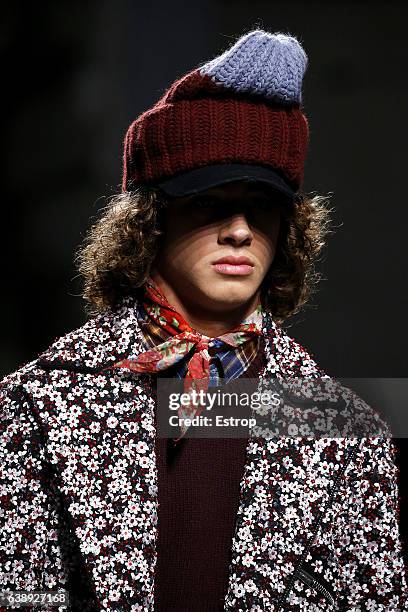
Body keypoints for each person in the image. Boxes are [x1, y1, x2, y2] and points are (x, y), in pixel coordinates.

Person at [0, 28, 406, 612]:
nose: (240, 230)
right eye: (208, 202)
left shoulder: (346, 430)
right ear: (148, 221)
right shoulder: (35, 405)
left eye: (263, 206)